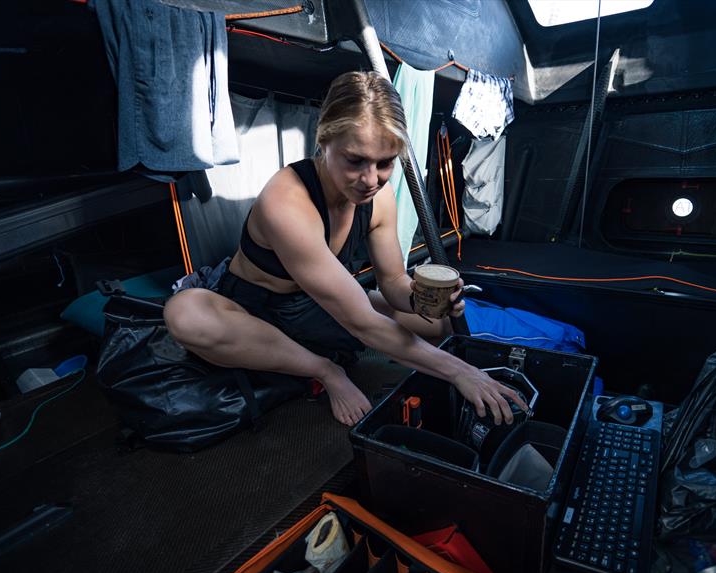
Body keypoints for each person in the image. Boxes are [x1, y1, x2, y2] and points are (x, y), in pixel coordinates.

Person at [164, 71, 526, 426]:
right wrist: (461, 374)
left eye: (384, 163)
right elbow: (363, 322)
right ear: (324, 141)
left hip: (317, 306)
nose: (371, 180)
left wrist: (419, 300)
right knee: (185, 315)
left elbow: (393, 281)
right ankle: (323, 367)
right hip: (253, 309)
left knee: (442, 322)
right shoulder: (287, 201)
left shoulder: (379, 198)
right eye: (355, 161)